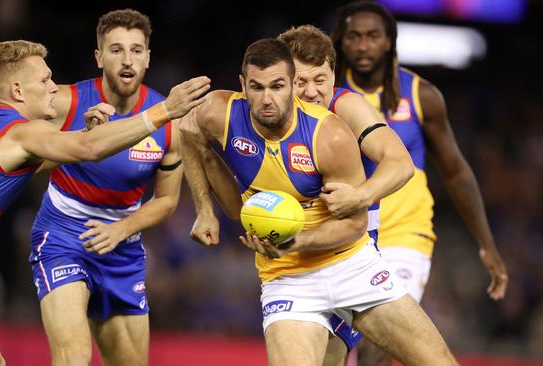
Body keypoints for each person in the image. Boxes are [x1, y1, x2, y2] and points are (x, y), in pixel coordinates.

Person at [0, 9, 209, 366]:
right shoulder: (25, 132)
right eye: (44, 80)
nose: (53, 87)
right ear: (17, 90)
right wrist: (166, 110)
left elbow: (61, 144)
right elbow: (88, 151)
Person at [180, 37, 457, 366]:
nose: (268, 98)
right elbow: (188, 132)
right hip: (288, 282)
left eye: (278, 86)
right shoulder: (221, 114)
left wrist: (360, 195)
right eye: (258, 87)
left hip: (352, 265)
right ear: (243, 85)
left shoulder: (334, 129)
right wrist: (204, 211)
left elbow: (360, 218)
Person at [330, 1, 508, 365]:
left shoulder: (421, 95)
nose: (364, 46)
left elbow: (456, 172)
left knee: (380, 346)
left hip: (404, 237)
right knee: (331, 348)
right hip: (345, 233)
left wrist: (486, 244)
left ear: (390, 42)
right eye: (354, 37)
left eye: (373, 36)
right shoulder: (327, 96)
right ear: (341, 42)